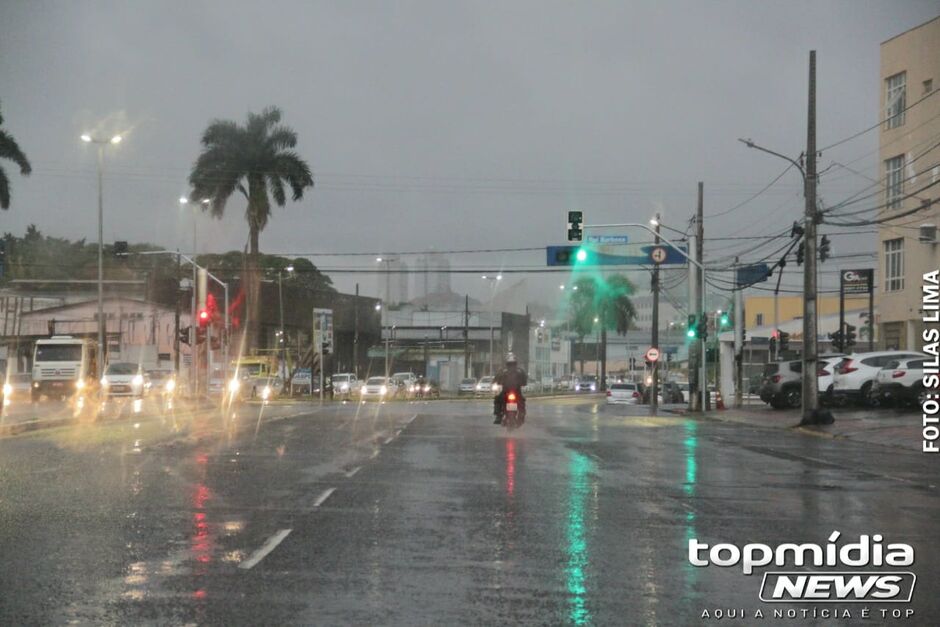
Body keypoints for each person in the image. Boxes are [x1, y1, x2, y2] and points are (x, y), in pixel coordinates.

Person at [493, 352, 528, 424]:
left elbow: (524, 381)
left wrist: (496, 382)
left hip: (510, 391)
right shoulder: (518, 371)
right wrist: (496, 382)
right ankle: (499, 416)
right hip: (512, 392)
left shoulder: (504, 371)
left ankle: (499, 416)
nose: (511, 365)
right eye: (510, 364)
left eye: (512, 364)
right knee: (498, 399)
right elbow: (497, 379)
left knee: (521, 402)